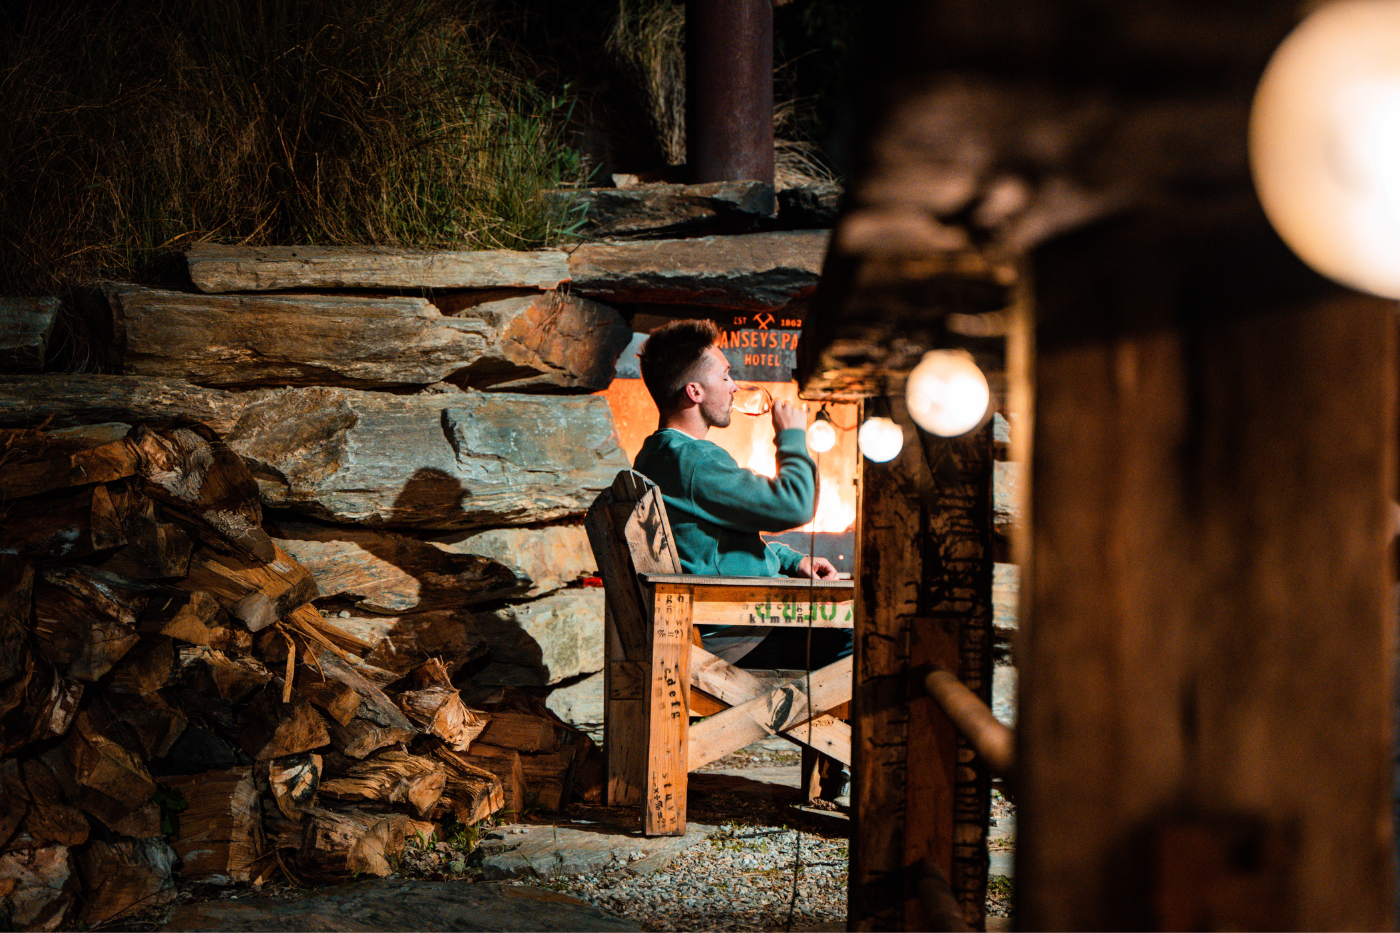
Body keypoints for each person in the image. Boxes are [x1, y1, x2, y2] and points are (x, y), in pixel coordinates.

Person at [631, 318, 846, 669]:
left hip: (720, 626)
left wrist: (793, 562)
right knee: (864, 637)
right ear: (695, 392)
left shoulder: (656, 455)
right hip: (738, 636)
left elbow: (715, 546)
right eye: (726, 375)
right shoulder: (696, 461)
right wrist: (791, 435)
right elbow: (796, 505)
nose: (733, 387)